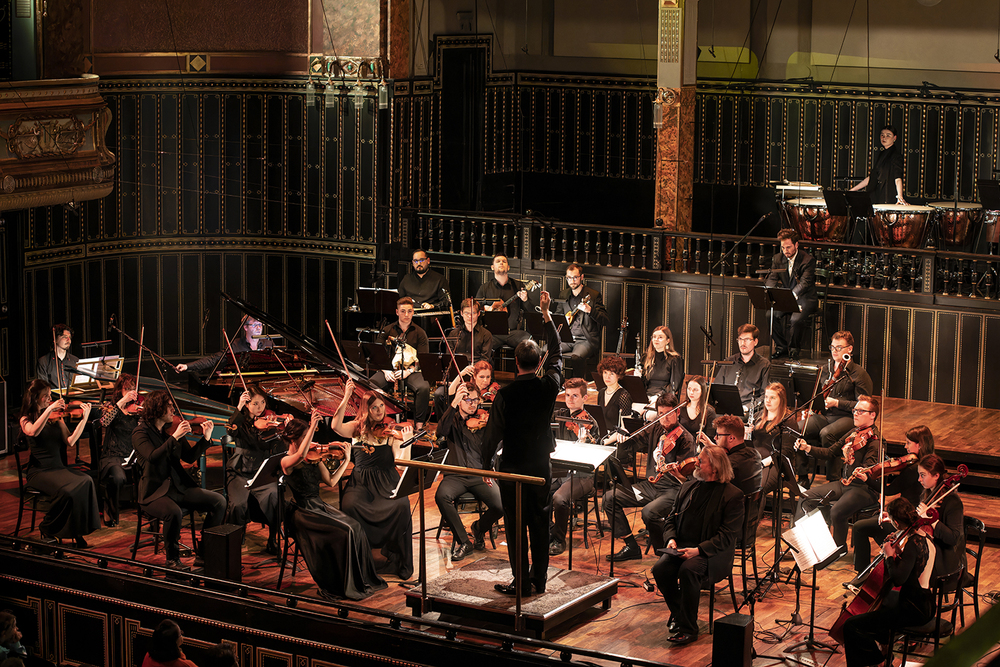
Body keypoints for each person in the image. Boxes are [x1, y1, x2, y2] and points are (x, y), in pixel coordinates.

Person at [481, 289, 562, 596]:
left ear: (515, 362)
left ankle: (522, 582)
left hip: (513, 466)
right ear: (538, 360)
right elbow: (557, 354)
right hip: (540, 464)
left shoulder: (504, 395)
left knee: (516, 527)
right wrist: (546, 315)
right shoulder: (549, 385)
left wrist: (485, 462)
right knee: (540, 523)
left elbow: (493, 433)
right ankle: (539, 580)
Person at [281, 395, 387, 601]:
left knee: (355, 526)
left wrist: (346, 460)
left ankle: (361, 580)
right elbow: (300, 456)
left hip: (318, 506)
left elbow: (330, 481)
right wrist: (312, 426)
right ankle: (340, 584)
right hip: (303, 513)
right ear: (294, 440)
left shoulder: (314, 456)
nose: (310, 443)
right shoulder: (287, 461)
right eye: (305, 438)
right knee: (345, 531)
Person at [651, 445, 744, 646]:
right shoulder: (688, 487)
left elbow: (727, 536)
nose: (695, 463)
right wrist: (671, 539)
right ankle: (682, 616)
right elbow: (670, 520)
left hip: (712, 554)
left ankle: (688, 629)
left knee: (688, 570)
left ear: (715, 469)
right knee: (660, 569)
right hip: (682, 547)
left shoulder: (732, 495)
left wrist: (698, 551)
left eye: (701, 461)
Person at [132, 390, 227, 569]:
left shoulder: (170, 430)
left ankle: (204, 553)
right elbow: (152, 457)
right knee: (173, 512)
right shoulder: (140, 433)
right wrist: (174, 438)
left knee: (219, 501)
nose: (173, 411)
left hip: (178, 487)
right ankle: (172, 560)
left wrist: (205, 439)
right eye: (169, 407)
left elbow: (190, 457)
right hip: (154, 492)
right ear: (158, 410)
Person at [332, 387, 414, 580]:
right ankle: (360, 558)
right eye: (374, 408)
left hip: (386, 479)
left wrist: (407, 441)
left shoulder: (390, 431)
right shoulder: (356, 427)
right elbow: (336, 426)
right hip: (361, 481)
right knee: (350, 505)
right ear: (365, 410)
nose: (380, 412)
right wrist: (345, 397)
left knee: (401, 505)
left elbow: (402, 463)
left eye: (382, 407)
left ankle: (398, 559)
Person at [841, 498, 934, 667]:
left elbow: (899, 578)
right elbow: (912, 569)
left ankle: (879, 661)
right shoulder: (924, 537)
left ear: (896, 522)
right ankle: (883, 656)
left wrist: (889, 556)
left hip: (912, 609)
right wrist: (898, 553)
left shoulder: (913, 544)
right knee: (879, 616)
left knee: (852, 626)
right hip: (924, 604)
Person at [604, 394, 695, 560]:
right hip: (652, 484)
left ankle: (664, 555)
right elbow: (632, 442)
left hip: (673, 489)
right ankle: (631, 545)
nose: (665, 419)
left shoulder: (686, 439)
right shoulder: (655, 428)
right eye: (661, 414)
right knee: (610, 497)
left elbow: (687, 480)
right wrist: (623, 438)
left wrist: (675, 471)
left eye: (669, 414)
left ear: (677, 413)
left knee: (649, 512)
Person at [18, 380, 99, 547]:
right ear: (35, 399)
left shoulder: (57, 419)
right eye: (45, 397)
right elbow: (33, 431)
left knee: (86, 481)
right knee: (69, 490)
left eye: (50, 396)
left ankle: (77, 531)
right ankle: (47, 526)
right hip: (40, 472)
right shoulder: (26, 419)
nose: (49, 399)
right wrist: (49, 410)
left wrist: (84, 419)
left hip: (58, 468)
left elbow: (70, 441)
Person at [794, 395, 881, 547]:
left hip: (864, 490)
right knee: (806, 497)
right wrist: (807, 448)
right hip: (845, 484)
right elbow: (829, 452)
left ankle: (838, 548)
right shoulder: (853, 433)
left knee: (837, 512)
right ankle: (805, 544)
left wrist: (862, 470)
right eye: (855, 410)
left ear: (872, 415)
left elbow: (871, 470)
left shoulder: (876, 441)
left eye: (861, 411)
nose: (855, 413)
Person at [434, 381, 504, 562]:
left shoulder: (484, 421)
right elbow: (440, 432)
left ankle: (478, 529)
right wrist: (453, 403)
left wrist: (488, 470)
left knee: (501, 505)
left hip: (479, 474)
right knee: (441, 496)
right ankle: (464, 541)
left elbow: (495, 446)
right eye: (467, 400)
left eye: (475, 400)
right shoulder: (452, 420)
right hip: (455, 475)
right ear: (459, 401)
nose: (472, 404)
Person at [851, 426, 934, 574]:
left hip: (906, 520)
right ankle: (886, 562)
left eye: (908, 443)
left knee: (859, 527)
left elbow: (889, 490)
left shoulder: (913, 469)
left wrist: (869, 477)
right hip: (907, 515)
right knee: (876, 530)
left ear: (919, 445)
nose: (905, 446)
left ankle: (863, 572)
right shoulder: (929, 463)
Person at [795, 331, 874, 484]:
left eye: (839, 347)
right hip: (825, 415)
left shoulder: (859, 374)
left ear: (849, 349)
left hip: (848, 417)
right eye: (832, 347)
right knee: (798, 429)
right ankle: (802, 477)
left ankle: (833, 480)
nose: (834, 351)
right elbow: (816, 394)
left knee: (827, 434)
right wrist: (812, 407)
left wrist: (837, 403)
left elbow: (864, 405)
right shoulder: (825, 369)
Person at [225, 386, 288, 555]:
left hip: (262, 472)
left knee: (275, 499)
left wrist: (283, 431)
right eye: (254, 403)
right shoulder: (241, 422)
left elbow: (279, 447)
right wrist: (238, 407)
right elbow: (230, 428)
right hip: (239, 472)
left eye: (262, 402)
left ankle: (273, 539)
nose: (259, 407)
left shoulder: (269, 422)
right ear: (246, 404)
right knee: (237, 505)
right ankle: (235, 540)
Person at [548, 378, 600, 555]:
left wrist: (584, 440)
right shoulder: (561, 414)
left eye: (575, 396)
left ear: (585, 397)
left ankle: (559, 540)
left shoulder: (590, 423)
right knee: (534, 490)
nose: (570, 400)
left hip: (582, 475)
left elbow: (594, 453)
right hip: (560, 471)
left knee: (559, 499)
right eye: (567, 395)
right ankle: (550, 531)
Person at [369, 297, 431, 430]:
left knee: (424, 388)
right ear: (397, 312)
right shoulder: (387, 330)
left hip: (410, 371)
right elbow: (376, 353)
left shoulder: (420, 333)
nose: (406, 315)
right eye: (403, 311)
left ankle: (419, 425)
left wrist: (408, 371)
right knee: (370, 384)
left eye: (409, 311)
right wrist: (386, 371)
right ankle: (377, 420)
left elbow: (423, 358)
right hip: (389, 371)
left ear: (413, 312)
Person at [764, 229, 818, 360]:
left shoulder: (807, 260)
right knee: (770, 314)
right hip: (787, 297)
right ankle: (781, 347)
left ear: (796, 245)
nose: (785, 251)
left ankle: (794, 349)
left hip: (805, 297)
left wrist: (792, 294)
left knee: (796, 319)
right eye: (783, 247)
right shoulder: (778, 258)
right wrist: (769, 290)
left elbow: (805, 283)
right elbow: (772, 277)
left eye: (788, 247)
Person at [748, 383, 797, 522]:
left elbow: (787, 451)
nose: (768, 401)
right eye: (766, 397)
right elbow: (751, 444)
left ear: (781, 399)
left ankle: (750, 530)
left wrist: (764, 463)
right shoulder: (758, 416)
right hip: (755, 460)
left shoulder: (788, 421)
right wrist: (747, 434)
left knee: (758, 487)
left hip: (776, 464)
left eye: (772, 398)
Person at [97, 374, 141, 527]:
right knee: (118, 477)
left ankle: (150, 511)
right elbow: (104, 422)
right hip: (113, 455)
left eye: (133, 388)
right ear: (120, 390)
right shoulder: (111, 406)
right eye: (127, 389)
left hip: (133, 454)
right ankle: (109, 509)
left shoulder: (137, 408)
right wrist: (122, 402)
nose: (131, 392)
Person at [915, 454, 966, 582]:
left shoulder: (952, 501)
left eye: (923, 475)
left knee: (909, 568)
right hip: (931, 550)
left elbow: (953, 538)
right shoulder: (927, 494)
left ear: (936, 475)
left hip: (947, 559)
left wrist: (932, 520)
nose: (919, 479)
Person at [475, 254, 533, 351]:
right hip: (492, 333)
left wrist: (525, 300)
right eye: (498, 261)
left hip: (514, 333)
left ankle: (521, 366)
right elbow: (476, 309)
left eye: (504, 261)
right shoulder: (485, 288)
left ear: (508, 267)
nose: (501, 263)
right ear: (492, 267)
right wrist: (486, 308)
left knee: (529, 344)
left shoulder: (518, 286)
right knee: (480, 345)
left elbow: (531, 310)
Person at [176, 316, 272, 374]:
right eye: (255, 325)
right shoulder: (235, 345)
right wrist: (187, 366)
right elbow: (213, 359)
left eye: (260, 325)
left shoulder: (269, 343)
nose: (259, 328)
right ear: (245, 327)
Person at [555, 263, 609, 363]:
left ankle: (577, 379)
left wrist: (590, 310)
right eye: (569, 278)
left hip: (586, 340)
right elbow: (558, 316)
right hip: (567, 339)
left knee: (576, 356)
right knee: (545, 351)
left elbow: (605, 320)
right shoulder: (563, 294)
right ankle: (556, 378)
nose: (572, 281)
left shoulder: (593, 295)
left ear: (582, 277)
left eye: (575, 277)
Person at [699, 414, 763, 498]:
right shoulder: (755, 454)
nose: (715, 438)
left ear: (731, 438)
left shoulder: (729, 464)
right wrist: (712, 446)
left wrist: (682, 479)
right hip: (752, 508)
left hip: (730, 508)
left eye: (718, 435)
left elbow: (704, 489)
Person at [712, 324, 769, 417]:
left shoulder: (764, 365)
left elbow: (765, 396)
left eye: (747, 339)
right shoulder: (728, 362)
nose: (743, 343)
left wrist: (747, 408)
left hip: (749, 411)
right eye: (740, 339)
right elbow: (717, 388)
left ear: (755, 342)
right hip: (726, 410)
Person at [850, 124, 906, 206]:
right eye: (882, 135)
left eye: (888, 135)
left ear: (894, 138)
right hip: (876, 195)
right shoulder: (882, 154)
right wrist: (852, 190)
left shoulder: (896, 156)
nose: (884, 138)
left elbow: (897, 178)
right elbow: (872, 177)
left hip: (887, 197)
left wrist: (900, 196)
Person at [636, 326, 684, 400]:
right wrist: (638, 378)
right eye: (654, 337)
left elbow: (674, 386)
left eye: (660, 337)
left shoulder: (674, 359)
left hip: (663, 398)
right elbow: (644, 383)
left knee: (650, 412)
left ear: (668, 340)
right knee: (632, 410)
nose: (656, 339)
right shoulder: (646, 357)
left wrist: (659, 396)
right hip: (646, 396)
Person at [446, 298, 493, 365]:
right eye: (466, 313)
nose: (469, 316)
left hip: (477, 371)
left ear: (478, 313)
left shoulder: (486, 335)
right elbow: (449, 358)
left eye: (473, 313)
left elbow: (484, 360)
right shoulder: (453, 334)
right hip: (458, 370)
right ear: (461, 313)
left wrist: (472, 369)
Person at [35, 325, 79, 393]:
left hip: (73, 397)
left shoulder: (75, 360)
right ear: (55, 339)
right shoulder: (44, 361)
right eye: (64, 337)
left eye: (69, 337)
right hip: (53, 399)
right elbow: (43, 388)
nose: (68, 340)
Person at [596, 355, 632, 437]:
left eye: (611, 374)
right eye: (605, 372)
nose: (607, 377)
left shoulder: (623, 395)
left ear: (618, 375)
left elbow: (624, 429)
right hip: (602, 435)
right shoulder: (601, 392)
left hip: (614, 438)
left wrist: (605, 442)